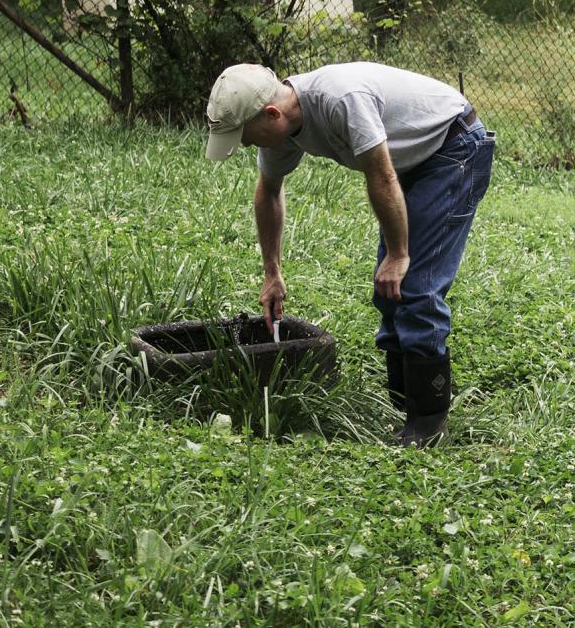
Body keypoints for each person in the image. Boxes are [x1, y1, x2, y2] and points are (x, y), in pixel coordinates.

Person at [205, 60, 496, 446]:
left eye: (248, 137)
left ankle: (427, 423)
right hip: (411, 159)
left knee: (413, 284)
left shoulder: (340, 99)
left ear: (272, 114)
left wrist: (398, 254)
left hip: (453, 148)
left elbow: (381, 175)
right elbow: (269, 191)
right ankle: (404, 400)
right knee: (389, 289)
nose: (248, 145)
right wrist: (272, 273)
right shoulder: (284, 130)